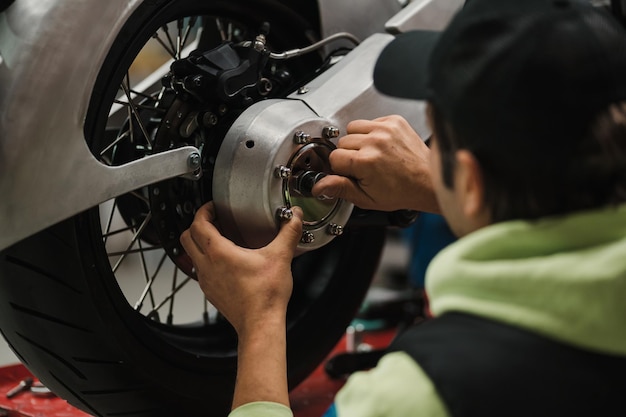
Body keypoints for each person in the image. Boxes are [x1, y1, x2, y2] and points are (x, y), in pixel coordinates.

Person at [180, 0, 626, 415]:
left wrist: (260, 321)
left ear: (470, 182)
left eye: (434, 140)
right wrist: (434, 182)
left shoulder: (422, 395)